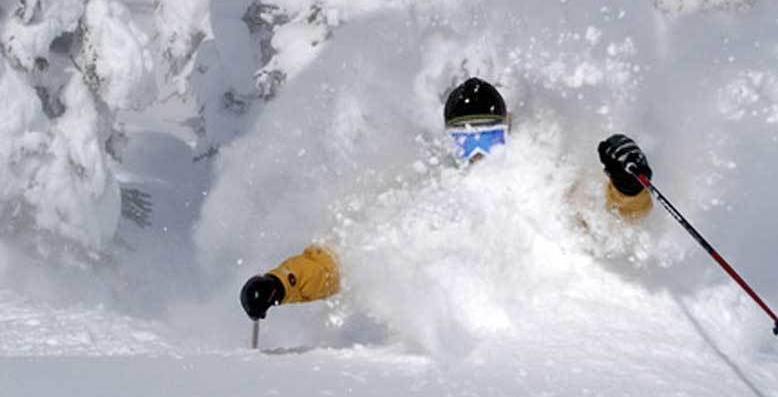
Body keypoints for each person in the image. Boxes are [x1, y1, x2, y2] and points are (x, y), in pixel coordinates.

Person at [239, 77, 654, 320]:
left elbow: (610, 220)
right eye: (465, 139)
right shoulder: (428, 198)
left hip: (546, 339)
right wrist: (282, 283)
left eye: (487, 137)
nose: (476, 152)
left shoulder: (543, 181)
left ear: (508, 129)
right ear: (448, 141)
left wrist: (628, 186)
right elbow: (343, 260)